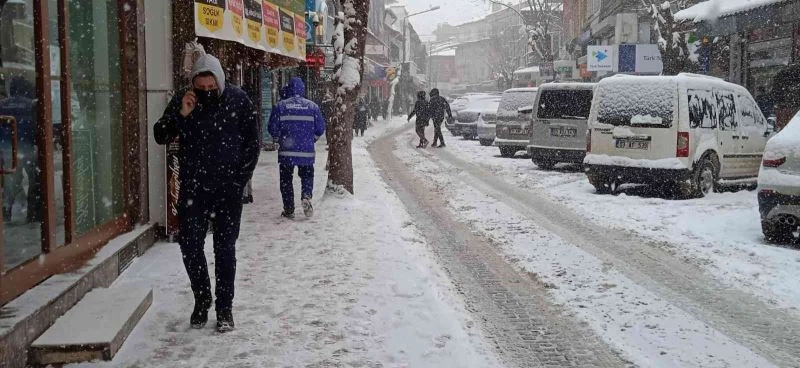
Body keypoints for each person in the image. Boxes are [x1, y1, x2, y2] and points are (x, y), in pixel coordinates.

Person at [154, 54, 260, 333]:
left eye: (211, 88)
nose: (206, 93)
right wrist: (181, 115)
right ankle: (202, 300)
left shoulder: (239, 100)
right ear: (193, 85)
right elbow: (159, 134)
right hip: (194, 189)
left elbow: (252, 143)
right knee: (190, 247)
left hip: (227, 191)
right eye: (201, 89)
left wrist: (239, 181)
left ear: (220, 81)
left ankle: (225, 308)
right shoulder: (184, 99)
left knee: (225, 250)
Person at [268, 77, 325, 219]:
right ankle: (306, 195)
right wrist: (311, 139)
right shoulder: (312, 107)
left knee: (286, 180)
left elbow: (272, 128)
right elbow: (320, 128)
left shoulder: (280, 106)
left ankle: (289, 209)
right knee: (307, 175)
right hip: (306, 151)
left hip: (287, 152)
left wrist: (279, 137)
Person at [0, 76, 41, 223]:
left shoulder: (2, 105)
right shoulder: (31, 105)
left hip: (7, 147)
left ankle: (5, 210)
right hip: (27, 147)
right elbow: (36, 127)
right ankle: (34, 213)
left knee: (11, 180)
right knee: (34, 180)